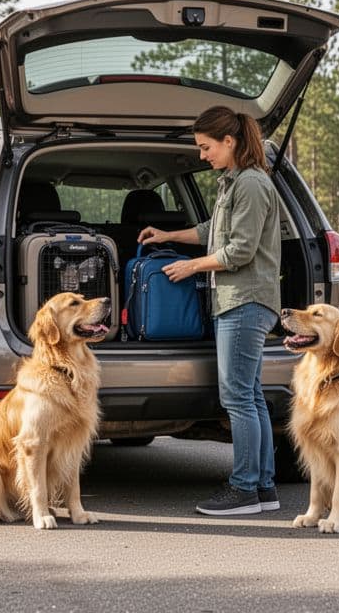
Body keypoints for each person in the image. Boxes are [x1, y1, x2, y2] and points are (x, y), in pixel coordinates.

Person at [138, 105, 282, 516]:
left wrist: (191, 266)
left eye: (206, 148)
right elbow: (210, 233)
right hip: (238, 301)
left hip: (245, 301)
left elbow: (240, 250)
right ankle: (264, 488)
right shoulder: (232, 183)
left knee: (236, 397)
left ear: (229, 142)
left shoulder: (252, 184)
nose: (202, 156)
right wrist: (169, 235)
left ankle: (243, 490)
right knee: (250, 396)